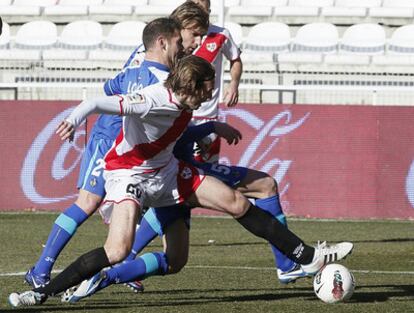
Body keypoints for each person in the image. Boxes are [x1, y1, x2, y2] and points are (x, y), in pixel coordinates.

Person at [9, 55, 353, 308]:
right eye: (204, 91)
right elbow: (96, 101)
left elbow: (175, 127)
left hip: (167, 172)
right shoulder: (151, 99)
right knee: (116, 250)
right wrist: (72, 121)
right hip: (129, 176)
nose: (207, 97)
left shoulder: (182, 100)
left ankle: (307, 257)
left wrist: (208, 129)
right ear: (189, 87)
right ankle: (43, 292)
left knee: (230, 209)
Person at [23, 4, 209, 290]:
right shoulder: (163, 74)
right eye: (192, 36)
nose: (195, 43)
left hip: (132, 142)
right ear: (171, 36)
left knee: (152, 199)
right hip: (113, 137)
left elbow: (111, 86)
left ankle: (123, 265)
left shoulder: (146, 56)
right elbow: (112, 96)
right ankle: (42, 269)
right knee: (88, 202)